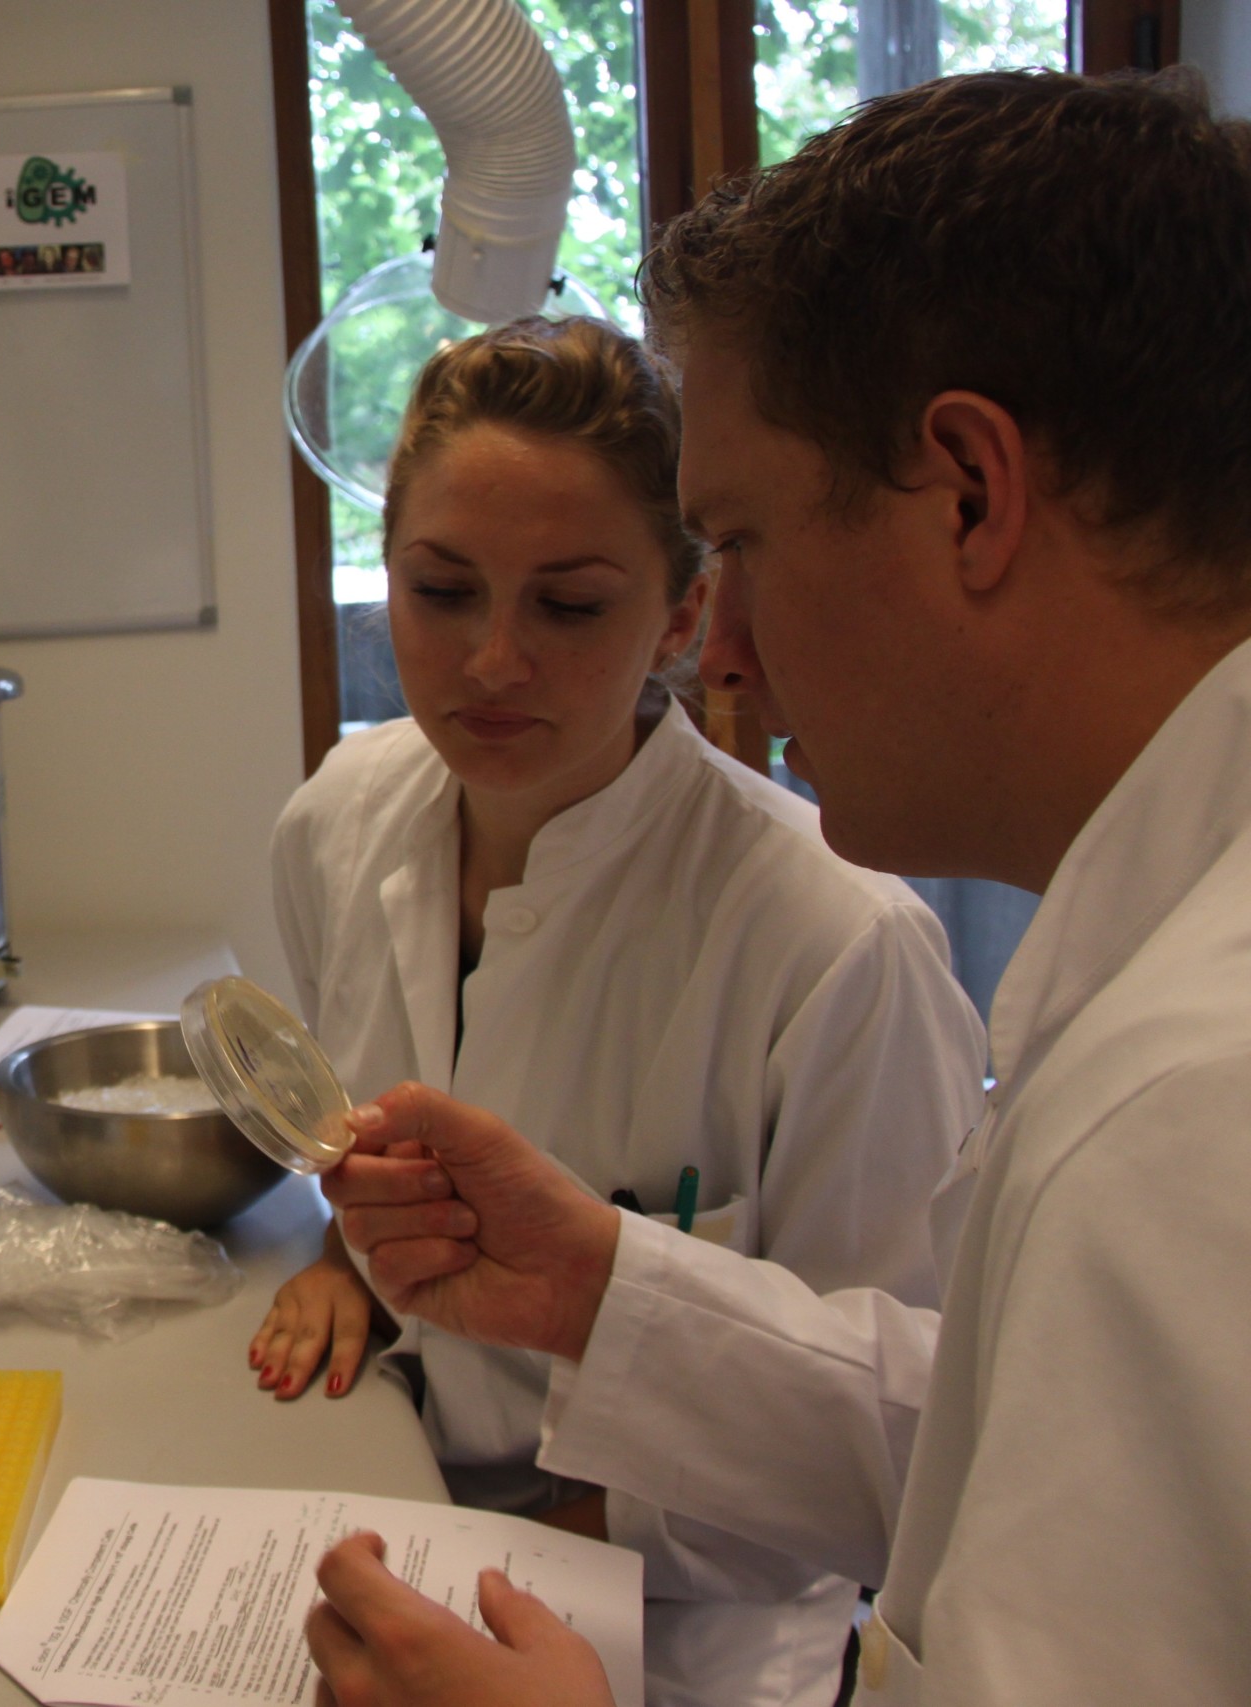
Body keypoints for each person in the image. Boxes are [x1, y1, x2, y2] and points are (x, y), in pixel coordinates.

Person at [304, 67, 1251, 1706]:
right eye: (441, 589)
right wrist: (608, 1287)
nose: (721, 648)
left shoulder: (1188, 1113)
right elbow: (975, 1429)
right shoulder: (1165, 981)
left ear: (970, 494)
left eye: (736, 542)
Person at [256, 317, 986, 1707]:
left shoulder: (837, 941)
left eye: (570, 605)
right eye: (441, 589)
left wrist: (521, 1553)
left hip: (692, 1627)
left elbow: (916, 1441)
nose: (490, 663)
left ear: (685, 613)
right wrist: (349, 1256)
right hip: (402, 1493)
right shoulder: (335, 825)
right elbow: (344, 1125)